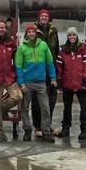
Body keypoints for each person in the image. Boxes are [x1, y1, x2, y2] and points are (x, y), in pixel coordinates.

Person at [15, 23, 57, 142]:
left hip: (41, 83)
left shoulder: (43, 45)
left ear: (36, 33)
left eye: (33, 32)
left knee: (45, 107)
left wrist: (53, 78)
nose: (31, 34)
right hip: (27, 83)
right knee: (25, 107)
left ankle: (46, 131)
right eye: (29, 32)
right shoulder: (22, 48)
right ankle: (27, 130)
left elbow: (50, 63)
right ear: (26, 34)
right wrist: (21, 83)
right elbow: (18, 67)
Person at [55, 27, 86, 140]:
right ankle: (66, 129)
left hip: (81, 84)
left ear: (77, 36)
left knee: (84, 108)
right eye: (70, 35)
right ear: (67, 37)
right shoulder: (62, 51)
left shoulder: (84, 49)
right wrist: (59, 81)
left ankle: (84, 130)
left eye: (74, 35)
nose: (72, 37)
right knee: (67, 108)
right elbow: (59, 67)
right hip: (67, 84)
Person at [31, 8, 59, 136]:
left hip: (50, 68)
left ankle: (47, 125)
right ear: (39, 17)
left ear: (48, 18)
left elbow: (56, 50)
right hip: (37, 69)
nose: (44, 17)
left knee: (51, 100)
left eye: (46, 16)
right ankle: (37, 127)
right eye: (42, 15)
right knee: (37, 100)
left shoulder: (54, 31)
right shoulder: (33, 31)